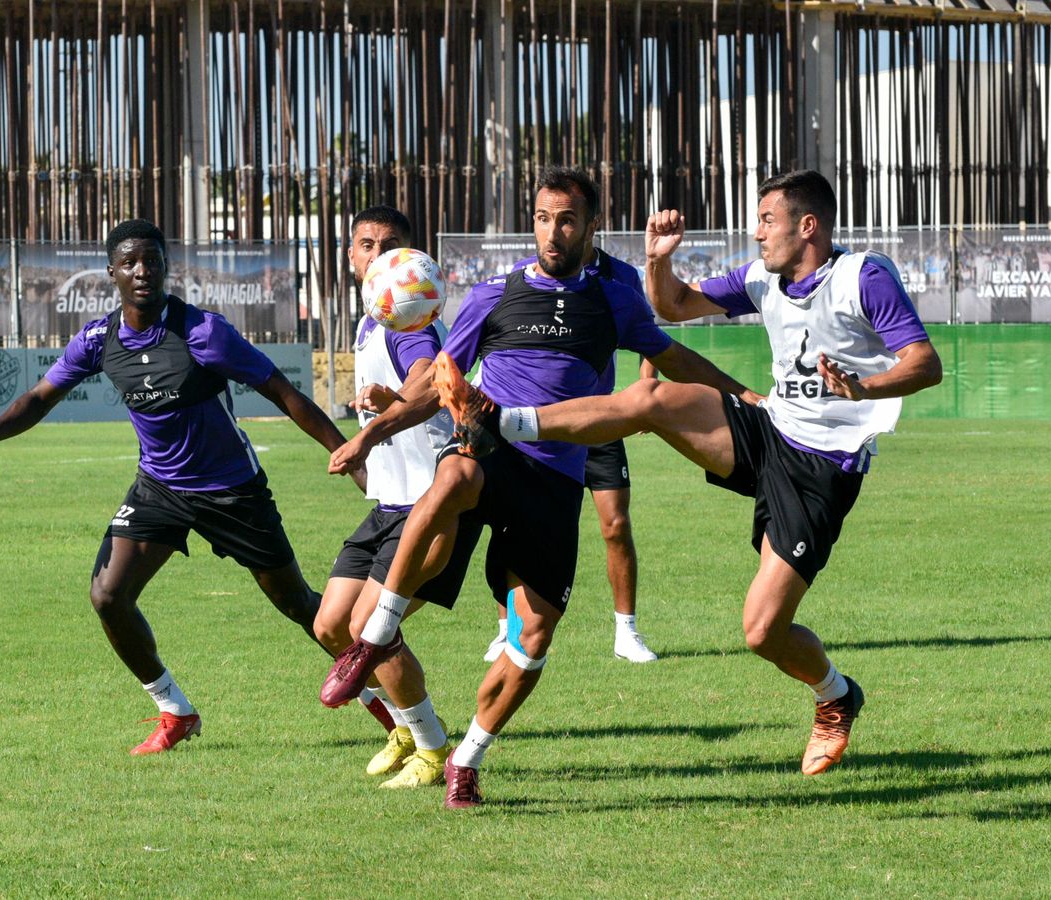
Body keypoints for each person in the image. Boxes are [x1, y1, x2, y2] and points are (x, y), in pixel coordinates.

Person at [441, 170, 943, 775]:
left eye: (766, 221)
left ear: (806, 226)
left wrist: (864, 387)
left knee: (762, 632)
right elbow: (673, 307)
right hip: (771, 429)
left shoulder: (865, 277)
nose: (756, 234)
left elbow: (924, 363)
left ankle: (835, 694)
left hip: (824, 467)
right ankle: (504, 423)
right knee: (650, 400)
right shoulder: (763, 277)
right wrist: (657, 263)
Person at [319, 167, 760, 808]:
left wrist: (744, 397)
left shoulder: (613, 295)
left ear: (589, 227)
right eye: (545, 218)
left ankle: (465, 758)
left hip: (556, 479)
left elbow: (670, 358)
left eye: (569, 220)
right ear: (533, 221)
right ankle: (376, 635)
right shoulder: (491, 294)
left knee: (533, 638)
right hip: (490, 448)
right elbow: (431, 383)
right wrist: (369, 434)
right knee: (458, 471)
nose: (555, 232)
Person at [0, 218, 354, 755]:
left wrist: (345, 450)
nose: (142, 271)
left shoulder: (202, 331)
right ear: (111, 271)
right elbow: (41, 397)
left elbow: (278, 389)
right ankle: (174, 710)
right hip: (159, 488)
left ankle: (389, 703)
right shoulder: (99, 338)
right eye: (130, 262)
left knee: (299, 606)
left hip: (232, 490)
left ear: (164, 267)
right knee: (108, 596)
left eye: (152, 261)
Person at [313, 205, 466, 788]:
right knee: (330, 626)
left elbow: (427, 376)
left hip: (430, 502)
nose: (379, 255)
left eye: (391, 244)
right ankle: (404, 725)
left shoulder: (408, 316)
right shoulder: (372, 319)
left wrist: (382, 413)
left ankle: (431, 750)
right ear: (353, 257)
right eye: (367, 244)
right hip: (389, 504)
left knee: (366, 629)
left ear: (413, 256)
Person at [481, 248, 657, 663]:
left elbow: (648, 335)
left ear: (591, 222)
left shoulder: (622, 276)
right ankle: (508, 627)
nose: (560, 230)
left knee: (615, 524)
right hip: (536, 422)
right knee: (511, 522)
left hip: (596, 417)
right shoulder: (531, 270)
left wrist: (647, 390)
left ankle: (626, 632)